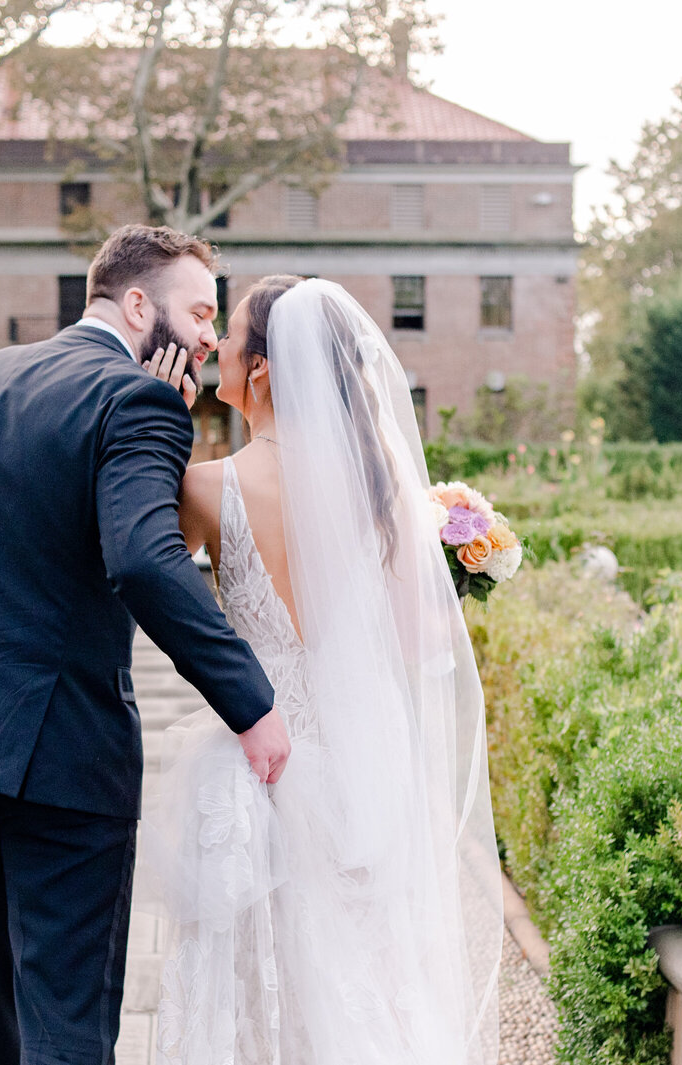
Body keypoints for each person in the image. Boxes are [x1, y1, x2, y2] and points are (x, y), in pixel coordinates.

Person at [0, 224, 291, 1065]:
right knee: (67, 1015)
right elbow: (144, 561)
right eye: (198, 312)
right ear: (134, 302)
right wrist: (250, 702)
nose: (205, 334)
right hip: (60, 747)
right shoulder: (140, 400)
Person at [140, 277, 502, 1065]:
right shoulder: (382, 496)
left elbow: (148, 582)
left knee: (253, 980)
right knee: (361, 969)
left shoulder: (206, 486)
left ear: (262, 370)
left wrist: (155, 414)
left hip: (254, 765)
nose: (215, 351)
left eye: (229, 339)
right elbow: (418, 644)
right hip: (354, 766)